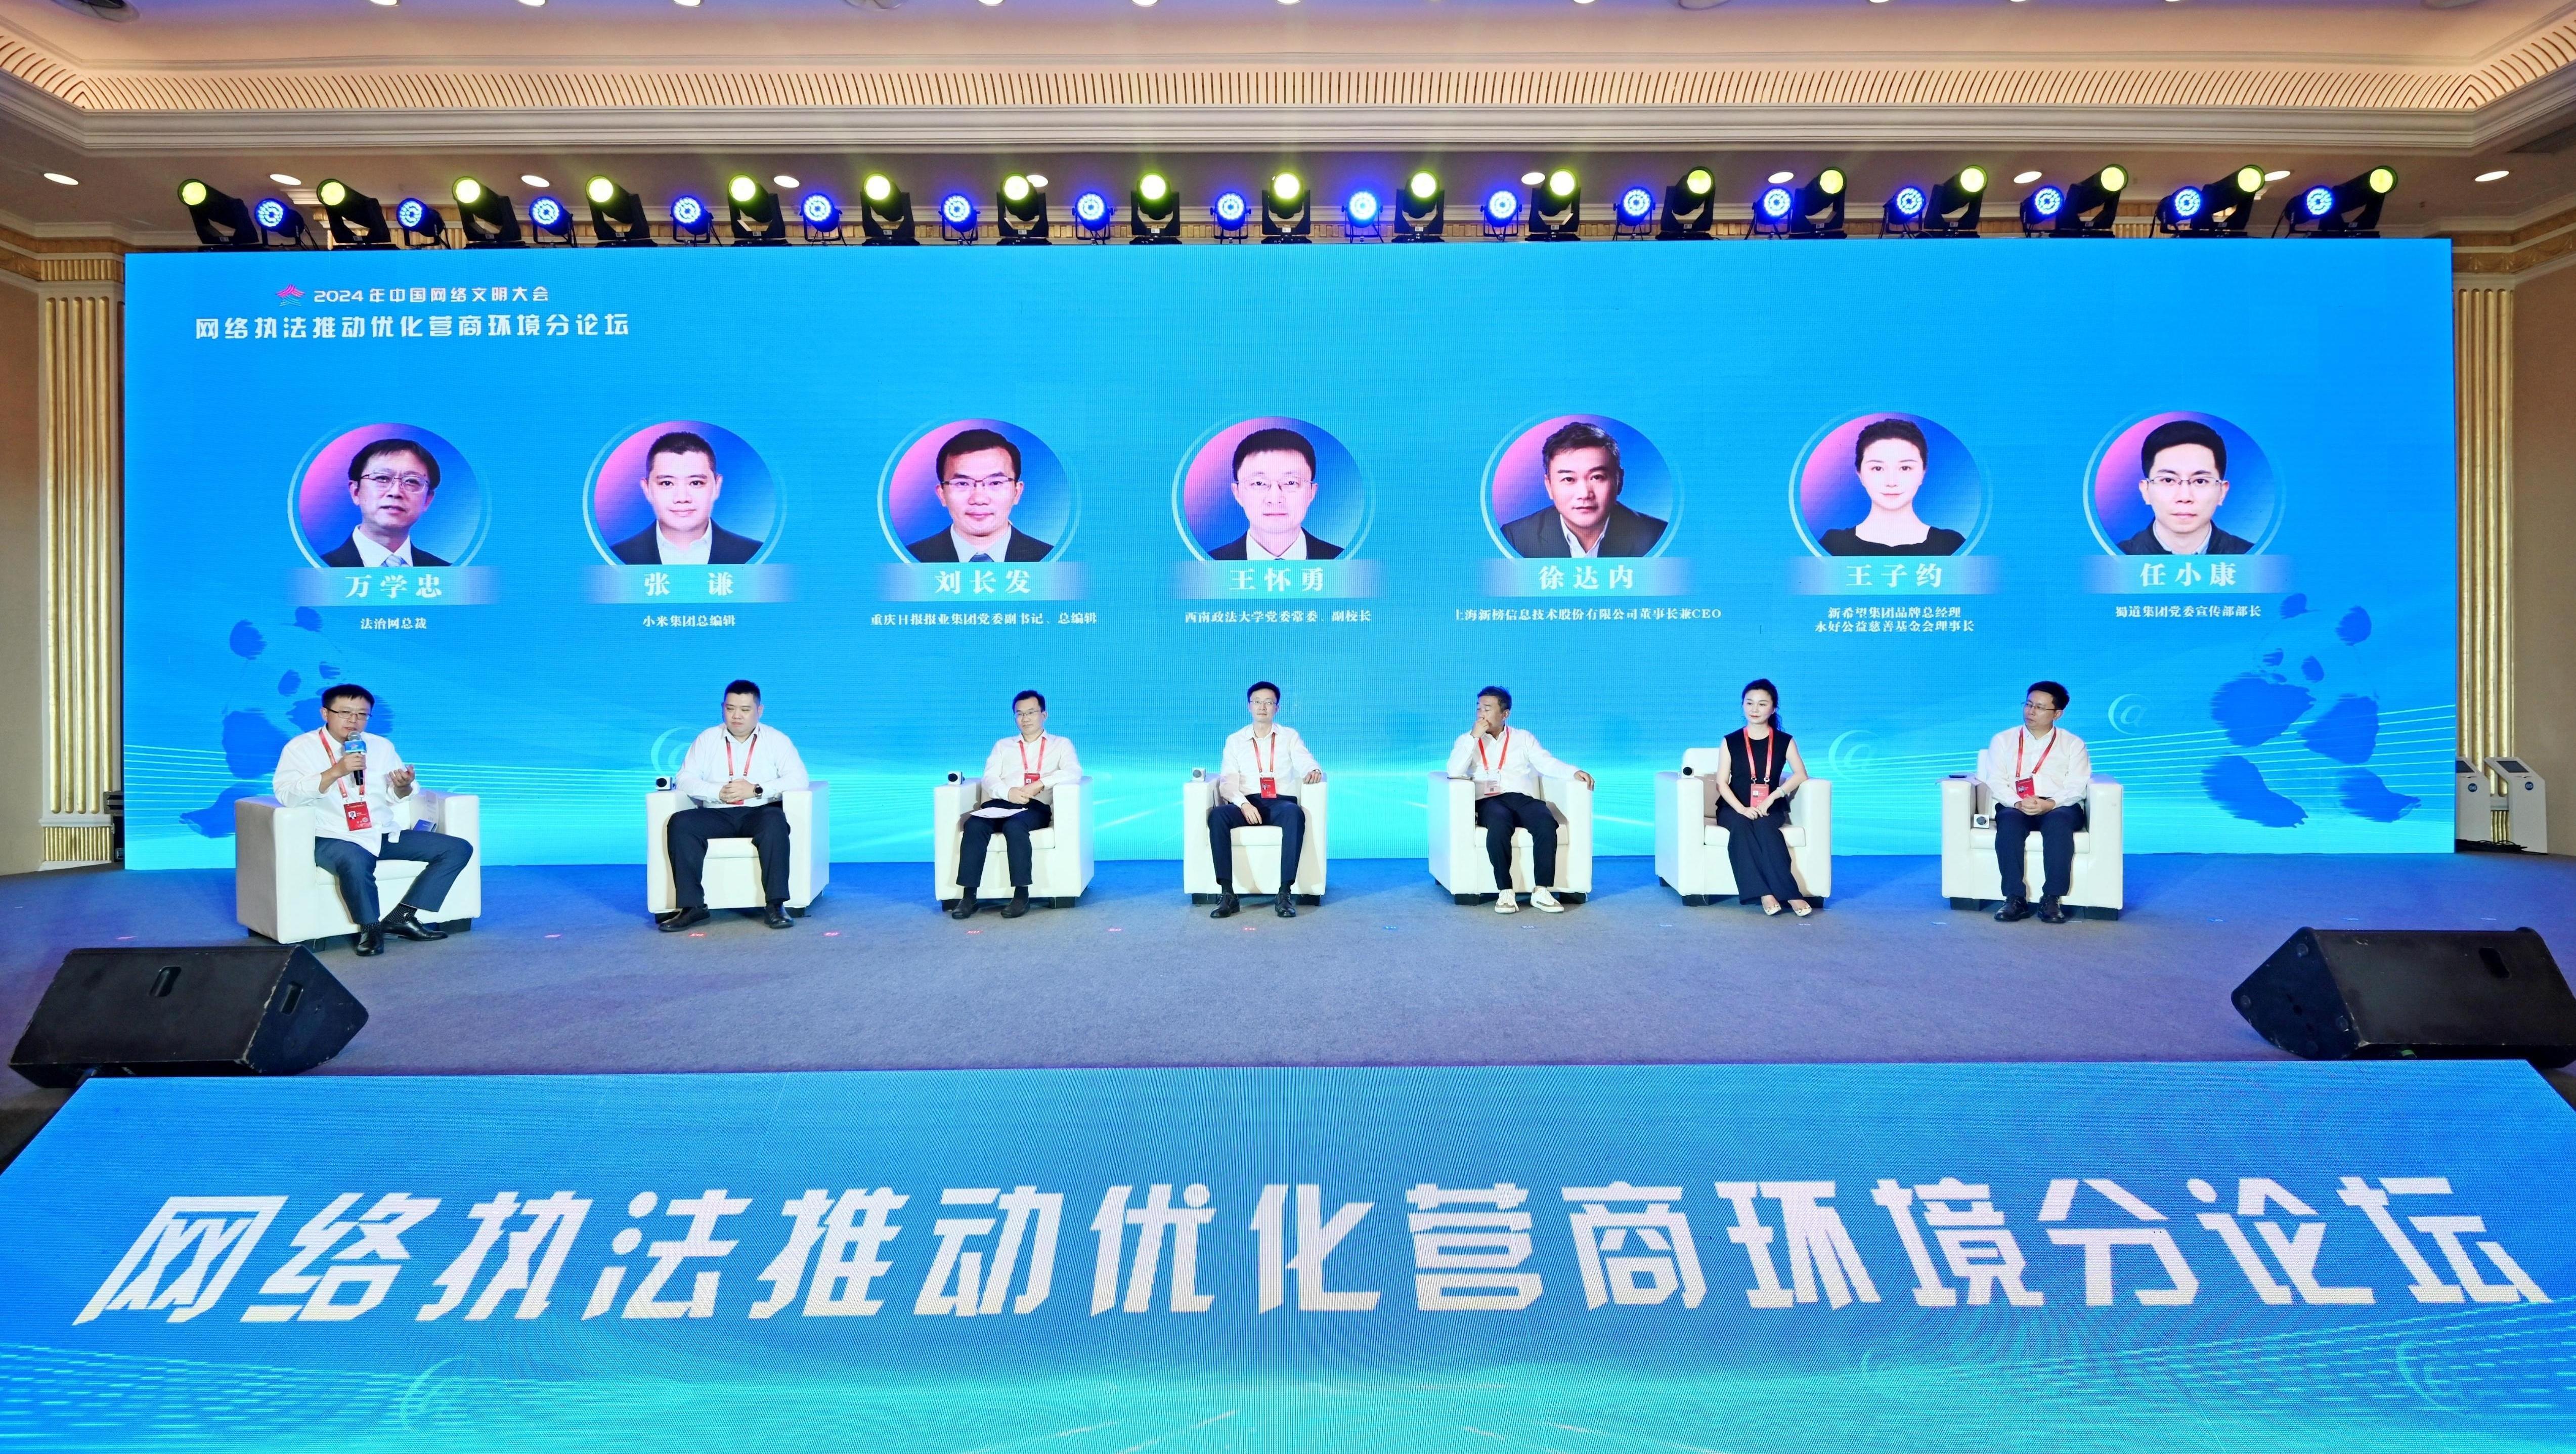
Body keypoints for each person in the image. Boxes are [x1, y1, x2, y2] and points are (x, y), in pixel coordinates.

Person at [270, 683, 474, 956]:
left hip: (380, 832)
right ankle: (370, 928)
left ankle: (401, 917)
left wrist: (403, 787)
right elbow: (287, 796)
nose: (353, 720)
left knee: (457, 848)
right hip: (332, 835)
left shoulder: (381, 746)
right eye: (345, 712)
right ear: (325, 713)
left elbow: (397, 794)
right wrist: (336, 771)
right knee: (354, 859)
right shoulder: (300, 748)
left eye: (362, 714)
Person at [661, 679, 810, 932]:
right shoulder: (707, 739)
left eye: (745, 709)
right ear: (723, 708)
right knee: (681, 823)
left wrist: (756, 789)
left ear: (759, 711)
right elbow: (685, 778)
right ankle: (692, 907)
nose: (736, 716)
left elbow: (799, 778)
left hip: (759, 811)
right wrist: (717, 792)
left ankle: (775, 905)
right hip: (718, 813)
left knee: (775, 821)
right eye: (730, 709)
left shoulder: (777, 740)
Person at [1445, 686, 1595, 913]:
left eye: (1487, 709)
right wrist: (1473, 738)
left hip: (1521, 798)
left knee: (1545, 821)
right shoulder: (1467, 741)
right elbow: (1454, 771)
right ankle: (1505, 891)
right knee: (1499, 822)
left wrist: (1574, 772)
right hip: (1489, 800)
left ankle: (1542, 890)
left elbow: (1546, 763)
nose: (1481, 714)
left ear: (1505, 714)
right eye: (1479, 708)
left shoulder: (1523, 738)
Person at [953, 690, 1083, 919]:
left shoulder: (1061, 744)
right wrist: (1008, 792)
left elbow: (1074, 771)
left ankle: (1021, 895)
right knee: (974, 825)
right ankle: (969, 896)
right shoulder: (1003, 746)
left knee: (1015, 826)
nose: (1025, 719)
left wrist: (1040, 784)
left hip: (1035, 807)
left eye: (1031, 712)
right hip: (1001, 802)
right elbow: (990, 778)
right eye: (1020, 714)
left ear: (1044, 714)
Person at [1207, 680, 1326, 919]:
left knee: (1294, 814)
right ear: (1249, 706)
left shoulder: (1289, 736)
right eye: (1258, 702)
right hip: (1247, 802)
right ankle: (1228, 894)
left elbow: (1304, 759)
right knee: (1218, 816)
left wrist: (1313, 770)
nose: (1263, 707)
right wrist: (1243, 804)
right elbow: (1228, 782)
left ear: (1277, 708)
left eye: (1269, 703)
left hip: (1280, 803)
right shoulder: (1235, 740)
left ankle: (1284, 893)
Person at [1980, 680, 2091, 924]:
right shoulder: (2003, 740)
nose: (2031, 711)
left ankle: (2052, 898)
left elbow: (2077, 785)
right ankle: (2014, 898)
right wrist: (2017, 803)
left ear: (2057, 714)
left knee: (2059, 824)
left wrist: (2050, 804)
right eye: (2028, 704)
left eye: (2040, 707)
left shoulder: (2073, 744)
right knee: (2008, 823)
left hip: (2059, 806)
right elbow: (1996, 780)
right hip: (2017, 804)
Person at [1709, 678, 1812, 917]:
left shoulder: (1785, 741)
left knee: (1766, 828)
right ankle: (1764, 893)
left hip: (1769, 806)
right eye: (1750, 703)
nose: (1755, 709)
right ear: (1743, 705)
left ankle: (1791, 893)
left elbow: (1801, 775)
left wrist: (1774, 796)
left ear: (1773, 709)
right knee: (1741, 826)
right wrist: (1742, 809)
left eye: (1762, 704)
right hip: (1734, 807)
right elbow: (1722, 783)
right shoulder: (1731, 740)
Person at [1500, 422, 1667, 559]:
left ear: (1619, 481)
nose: (1584, 494)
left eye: (1597, 477)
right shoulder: (1515, 539)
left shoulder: (1656, 536)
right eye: (1569, 479)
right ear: (1549, 486)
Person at [611, 430, 765, 566]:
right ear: (647, 489)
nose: (682, 498)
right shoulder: (616, 557)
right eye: (667, 483)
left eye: (696, 483)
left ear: (717, 487)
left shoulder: (755, 554)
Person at [1818, 418, 1965, 557]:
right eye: (1877, 468)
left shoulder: (1951, 546)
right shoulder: (1833, 546)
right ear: (1860, 474)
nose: (1891, 482)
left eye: (1905, 468)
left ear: (1923, 473)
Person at [907, 428, 1055, 563]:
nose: (979, 499)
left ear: (1017, 492)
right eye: (963, 484)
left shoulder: (1051, 560)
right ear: (942, 495)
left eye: (995, 483)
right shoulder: (909, 560)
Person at [2119, 419, 2253, 556]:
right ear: (2146, 491)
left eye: (2200, 481)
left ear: (2222, 492)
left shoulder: (2254, 558)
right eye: (2168, 480)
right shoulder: (2115, 559)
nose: (2185, 497)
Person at [1210, 428, 1344, 561]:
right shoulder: (1209, 564)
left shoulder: (1344, 562)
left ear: (1312, 492)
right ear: (1237, 493)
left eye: (1291, 482)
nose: (1275, 499)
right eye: (1259, 483)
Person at [320, 438, 451, 567]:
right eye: (382, 478)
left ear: (427, 500)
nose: (396, 492)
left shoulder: (447, 573)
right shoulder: (319, 569)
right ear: (356, 492)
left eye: (412, 481)